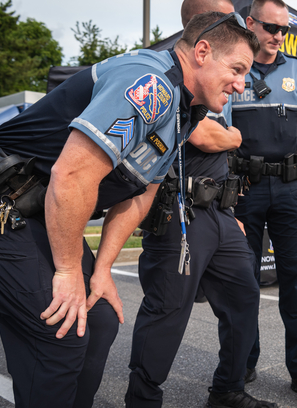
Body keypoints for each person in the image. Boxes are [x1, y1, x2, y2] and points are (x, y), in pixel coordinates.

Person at [0, 11, 257, 408]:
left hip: (37, 213)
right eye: (237, 69)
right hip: (9, 206)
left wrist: (100, 270)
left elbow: (140, 193)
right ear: (202, 51)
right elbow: (72, 175)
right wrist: (69, 271)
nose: (242, 85)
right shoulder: (150, 83)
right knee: (62, 333)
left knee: (99, 319)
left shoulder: (184, 110)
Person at [125, 2, 277, 408]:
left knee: (244, 300)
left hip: (219, 214)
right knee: (167, 312)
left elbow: (214, 139)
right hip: (180, 211)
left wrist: (230, 214)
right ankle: (142, 400)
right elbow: (206, 137)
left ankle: (227, 390)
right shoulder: (171, 71)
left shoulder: (217, 75)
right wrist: (235, 136)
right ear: (202, 20)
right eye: (228, 12)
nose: (239, 18)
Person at [230, 0, 297, 406]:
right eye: (270, 27)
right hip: (244, 191)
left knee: (296, 286)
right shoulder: (232, 69)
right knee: (242, 283)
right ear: (250, 23)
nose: (278, 35)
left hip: (292, 191)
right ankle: (242, 363)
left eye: (284, 29)